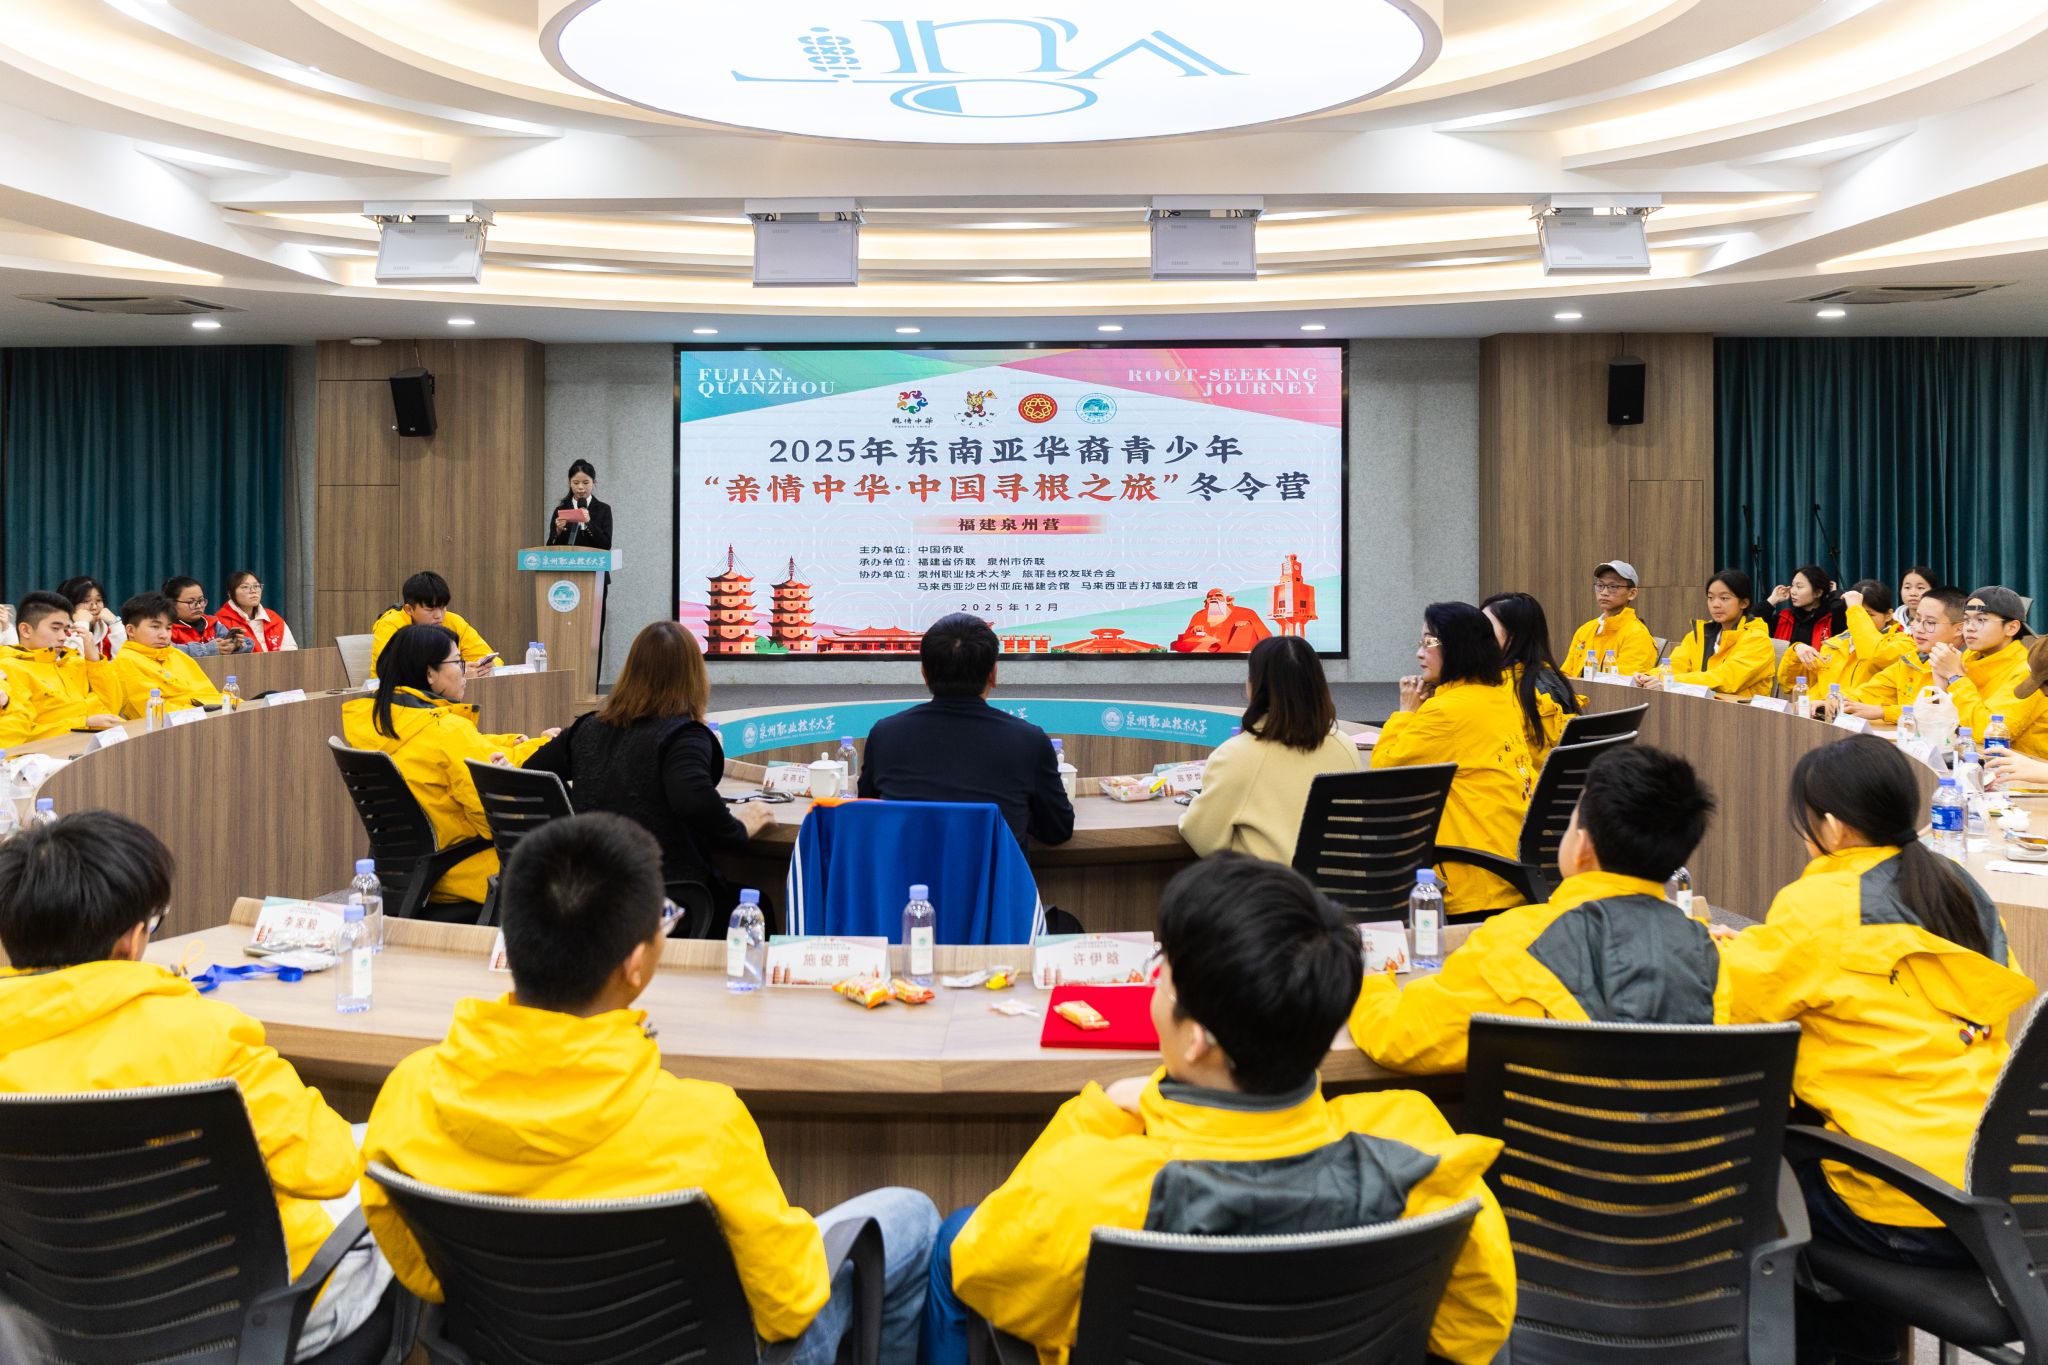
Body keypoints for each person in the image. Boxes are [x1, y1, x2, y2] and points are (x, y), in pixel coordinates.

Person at [360, 813, 938, 1362]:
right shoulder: (703, 1124)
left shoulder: (410, 1094)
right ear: (635, 963)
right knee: (909, 1214)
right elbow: (789, 1307)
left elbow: (421, 1274)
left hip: (501, 1348)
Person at [926, 854, 1515, 1365]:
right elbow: (1475, 1331)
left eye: (1163, 974)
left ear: (1199, 1037)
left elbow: (984, 1267)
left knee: (955, 1237)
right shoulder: (1420, 1155)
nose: (1156, 985)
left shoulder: (1096, 1188)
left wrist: (1101, 1113)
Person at [0, 812, 393, 1358]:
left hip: (50, 1333)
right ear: (130, 939)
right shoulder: (204, 1035)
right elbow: (327, 1168)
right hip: (243, 1324)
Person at [1717, 737, 2036, 1364]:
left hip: (1903, 1209)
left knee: (1753, 1185)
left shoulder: (1817, 904)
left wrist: (1725, 950)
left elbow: (1733, 1008)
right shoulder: (1956, 888)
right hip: (2000, 1195)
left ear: (1833, 828)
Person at [1350, 745, 1725, 1074]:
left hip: (1559, 1136)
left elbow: (1398, 1039)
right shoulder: (1713, 956)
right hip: (1697, 1135)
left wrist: (1375, 973)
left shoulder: (1514, 943)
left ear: (1582, 847)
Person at [526, 621, 776, 915]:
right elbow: (693, 799)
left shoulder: (588, 728)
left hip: (589, 897)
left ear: (630, 671)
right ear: (694, 676)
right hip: (664, 901)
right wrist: (740, 828)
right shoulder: (683, 737)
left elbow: (530, 774)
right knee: (759, 907)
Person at [340, 624, 555, 908]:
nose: (465, 672)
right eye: (458, 662)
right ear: (430, 673)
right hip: (464, 870)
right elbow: (497, 823)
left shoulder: (382, 721)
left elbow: (471, 747)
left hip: (411, 873)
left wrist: (530, 745)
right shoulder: (448, 731)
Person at [858, 613, 1073, 852]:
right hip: (994, 878)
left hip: (906, 876)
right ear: (993, 674)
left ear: (924, 674)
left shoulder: (885, 735)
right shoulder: (1029, 741)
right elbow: (1057, 830)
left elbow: (867, 816)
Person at [1371, 602, 1535, 914]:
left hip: (1472, 879)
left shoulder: (1447, 711)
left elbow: (1385, 771)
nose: (1419, 653)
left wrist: (1406, 712)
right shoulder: (1497, 697)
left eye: (1429, 642)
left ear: (1457, 647)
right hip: (1511, 866)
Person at [1178, 635, 1359, 864]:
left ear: (1254, 687)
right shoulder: (1345, 747)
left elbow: (1203, 838)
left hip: (1271, 885)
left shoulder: (1236, 756)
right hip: (1340, 886)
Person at [1831, 586, 1967, 723]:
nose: (1918, 629)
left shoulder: (1966, 665)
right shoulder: (1913, 659)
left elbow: (1947, 715)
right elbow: (1870, 692)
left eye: (1930, 623)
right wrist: (1833, 701)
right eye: (1916, 619)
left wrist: (1884, 712)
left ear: (1959, 629)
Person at [0, 590, 123, 738]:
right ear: (25, 630)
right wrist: (84, 723)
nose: (63, 637)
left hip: (99, 740)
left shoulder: (73, 662)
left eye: (66, 630)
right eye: (55, 628)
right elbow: (23, 733)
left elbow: (112, 706)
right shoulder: (10, 668)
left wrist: (94, 659)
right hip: (58, 748)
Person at [1934, 585, 2039, 757]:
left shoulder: (2027, 671)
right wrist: (1941, 682)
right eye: (1966, 619)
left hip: (2026, 766)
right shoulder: (1970, 656)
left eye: (1981, 620)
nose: (1969, 627)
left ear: (2012, 628)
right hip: (1972, 756)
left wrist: (1955, 677)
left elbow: (1989, 732)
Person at [1636, 568, 1774, 698]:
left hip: (1742, 711)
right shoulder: (1698, 635)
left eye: (1724, 598)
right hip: (1700, 706)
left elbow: (1725, 678)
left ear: (1744, 603)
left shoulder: (1757, 639)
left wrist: (1669, 682)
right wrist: (1648, 677)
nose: (1715, 604)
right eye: (1710, 597)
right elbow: (1675, 664)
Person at [1482, 590, 1581, 762]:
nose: (1477, 635)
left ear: (1515, 635)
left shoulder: (1508, 690)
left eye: (1486, 628)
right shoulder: (1549, 676)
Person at [1776, 579, 1913, 702]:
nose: (1862, 619)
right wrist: (1797, 652)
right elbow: (1791, 685)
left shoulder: (1903, 644)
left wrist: (1855, 610)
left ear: (1888, 615)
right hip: (1820, 713)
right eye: (1857, 613)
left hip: (1858, 717)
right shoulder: (1836, 643)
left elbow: (1873, 655)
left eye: (1869, 614)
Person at [111, 591, 224, 717]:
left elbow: (210, 694)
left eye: (168, 628)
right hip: (176, 725)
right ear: (131, 630)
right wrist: (202, 713)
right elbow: (155, 713)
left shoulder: (176, 654)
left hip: (208, 717)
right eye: (155, 627)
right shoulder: (126, 662)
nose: (164, 635)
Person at [370, 571, 497, 676]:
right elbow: (391, 671)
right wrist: (456, 671)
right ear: (409, 609)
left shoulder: (454, 621)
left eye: (443, 607)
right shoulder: (390, 624)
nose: (439, 616)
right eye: (430, 609)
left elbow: (490, 658)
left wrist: (485, 667)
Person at [1561, 559, 1659, 679]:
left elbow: (1625, 684)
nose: (1604, 592)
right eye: (1600, 585)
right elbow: (1566, 673)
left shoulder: (1637, 635)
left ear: (1632, 593)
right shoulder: (1585, 630)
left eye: (1613, 586)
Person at [1762, 564, 1845, 649]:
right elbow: (1754, 627)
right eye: (1792, 585)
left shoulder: (1830, 620)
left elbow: (1839, 609)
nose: (1792, 591)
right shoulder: (1784, 618)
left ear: (1818, 593)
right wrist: (1772, 600)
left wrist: (1834, 594)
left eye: (1799, 587)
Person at [162, 576, 249, 656]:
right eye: (190, 602)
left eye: (201, 600)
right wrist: (207, 649)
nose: (199, 606)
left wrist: (234, 645)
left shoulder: (213, 623)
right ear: (171, 603)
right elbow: (167, 650)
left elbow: (249, 643)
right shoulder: (165, 627)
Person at [214, 570, 298, 652]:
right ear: (230, 594)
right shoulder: (220, 621)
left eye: (257, 586)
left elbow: (291, 652)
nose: (253, 591)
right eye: (245, 587)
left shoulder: (273, 618)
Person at [547, 458, 613, 548]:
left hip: (592, 557)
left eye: (585, 483)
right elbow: (549, 547)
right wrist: (558, 531)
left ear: (594, 483)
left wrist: (588, 523)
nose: (580, 487)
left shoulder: (603, 509)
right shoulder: (561, 510)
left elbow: (606, 545)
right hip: (568, 557)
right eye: (576, 483)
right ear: (570, 483)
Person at [56, 575, 126, 660]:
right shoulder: (59, 634)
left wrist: (116, 624)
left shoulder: (109, 633)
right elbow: (71, 663)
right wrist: (81, 624)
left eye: (98, 600)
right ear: (70, 605)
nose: (94, 607)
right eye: (86, 601)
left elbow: (123, 664)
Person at [1893, 564, 1939, 630]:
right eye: (1907, 587)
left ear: (1933, 591)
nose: (1913, 593)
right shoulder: (1891, 621)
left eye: (1920, 588)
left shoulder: (1940, 622)